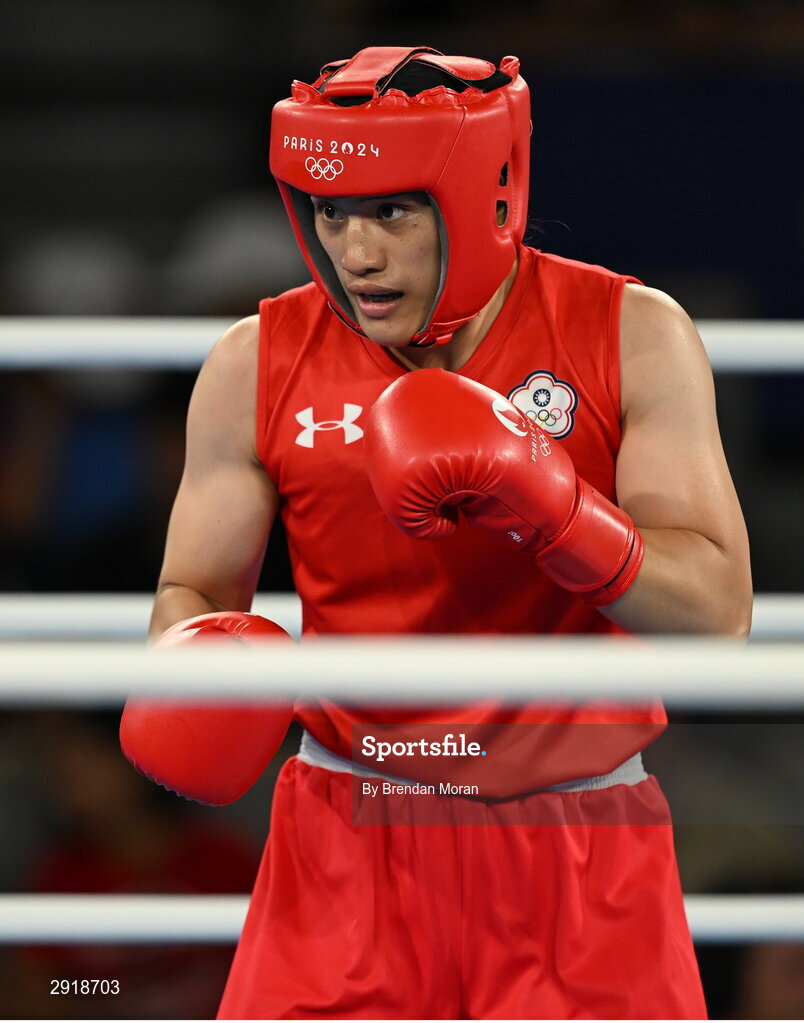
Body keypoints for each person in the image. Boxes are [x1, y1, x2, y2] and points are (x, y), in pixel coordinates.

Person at [120, 46, 752, 1019]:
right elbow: (194, 589)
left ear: (482, 200)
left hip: (578, 847)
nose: (356, 254)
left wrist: (556, 512)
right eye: (332, 213)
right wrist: (190, 659)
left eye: (392, 212)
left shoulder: (630, 332)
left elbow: (716, 620)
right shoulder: (257, 362)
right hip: (347, 841)